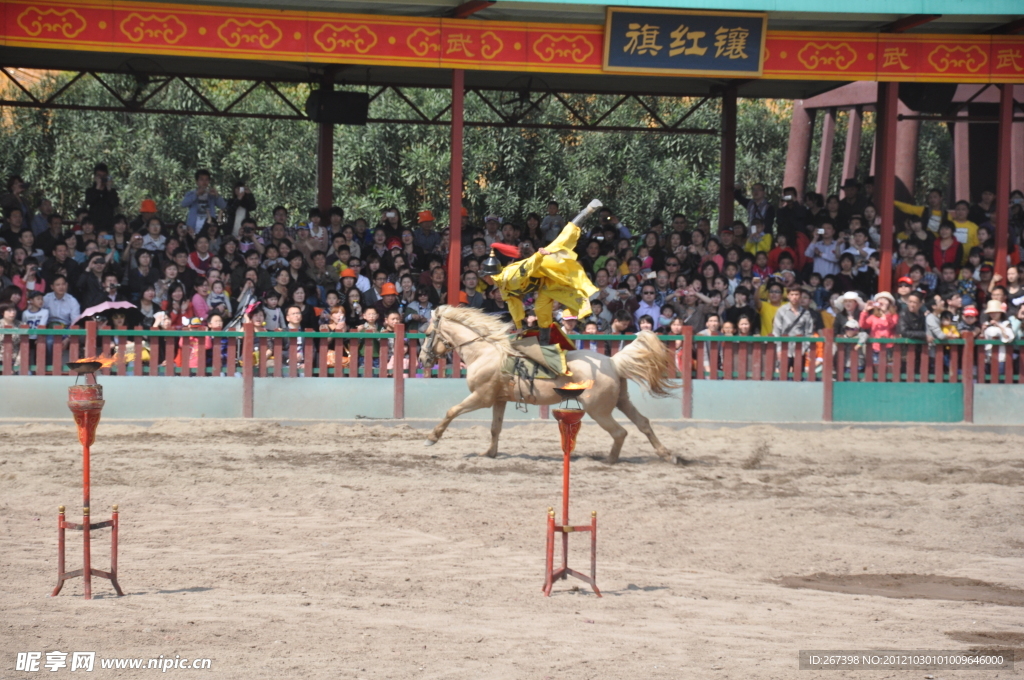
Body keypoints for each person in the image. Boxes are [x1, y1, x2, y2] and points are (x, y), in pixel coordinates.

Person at [84, 163, 119, 231]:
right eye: (99, 176)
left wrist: (109, 189)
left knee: (108, 240)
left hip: (108, 226)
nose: (102, 178)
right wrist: (97, 187)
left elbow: (115, 203)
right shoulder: (90, 191)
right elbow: (89, 201)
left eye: (104, 176)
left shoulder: (112, 191)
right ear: (95, 177)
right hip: (94, 226)